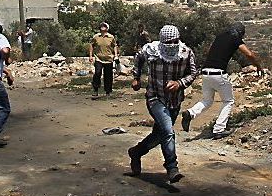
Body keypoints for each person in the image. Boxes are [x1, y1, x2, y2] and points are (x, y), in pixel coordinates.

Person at [128, 25, 197, 183]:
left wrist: (180, 83)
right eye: (169, 42)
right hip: (155, 98)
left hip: (175, 101)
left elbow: (193, 73)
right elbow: (138, 58)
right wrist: (136, 77)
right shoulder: (152, 50)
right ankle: (172, 167)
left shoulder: (186, 52)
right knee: (168, 131)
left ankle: (136, 152)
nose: (172, 45)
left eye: (175, 41)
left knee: (159, 135)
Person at [181, 22, 261, 140]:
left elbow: (210, 50)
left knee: (207, 100)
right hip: (219, 74)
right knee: (228, 101)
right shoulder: (235, 38)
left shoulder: (220, 36)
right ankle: (219, 129)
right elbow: (249, 54)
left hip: (205, 72)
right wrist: (258, 65)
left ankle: (190, 113)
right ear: (240, 33)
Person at [90, 22, 118, 98]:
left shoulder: (111, 37)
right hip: (98, 58)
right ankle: (95, 90)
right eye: (101, 26)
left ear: (107, 28)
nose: (103, 27)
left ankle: (108, 91)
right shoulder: (96, 36)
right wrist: (91, 55)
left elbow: (114, 46)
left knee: (108, 75)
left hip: (109, 59)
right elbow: (92, 45)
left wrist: (115, 55)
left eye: (104, 26)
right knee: (97, 73)